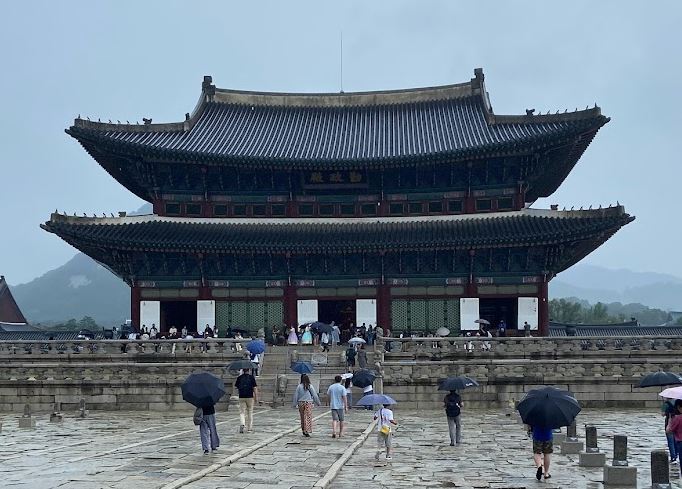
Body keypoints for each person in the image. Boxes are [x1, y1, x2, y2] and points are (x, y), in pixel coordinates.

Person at [235, 368, 259, 433]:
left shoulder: (239, 378)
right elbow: (255, 388)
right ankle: (249, 428)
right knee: (250, 412)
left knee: (242, 412)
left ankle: (242, 423)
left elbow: (236, 386)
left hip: (241, 396)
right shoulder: (251, 378)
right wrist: (256, 397)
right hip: (250, 396)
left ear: (243, 371)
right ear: (249, 370)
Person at [667, 400, 682, 475]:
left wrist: (669, 421)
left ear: (679, 407)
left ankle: (674, 457)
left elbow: (669, 430)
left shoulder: (678, 418)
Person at [662, 397, 678, 463]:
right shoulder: (678, 403)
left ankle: (673, 457)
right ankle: (676, 456)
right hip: (678, 425)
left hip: (669, 424)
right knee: (676, 441)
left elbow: (663, 414)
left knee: (670, 442)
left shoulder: (666, 404)